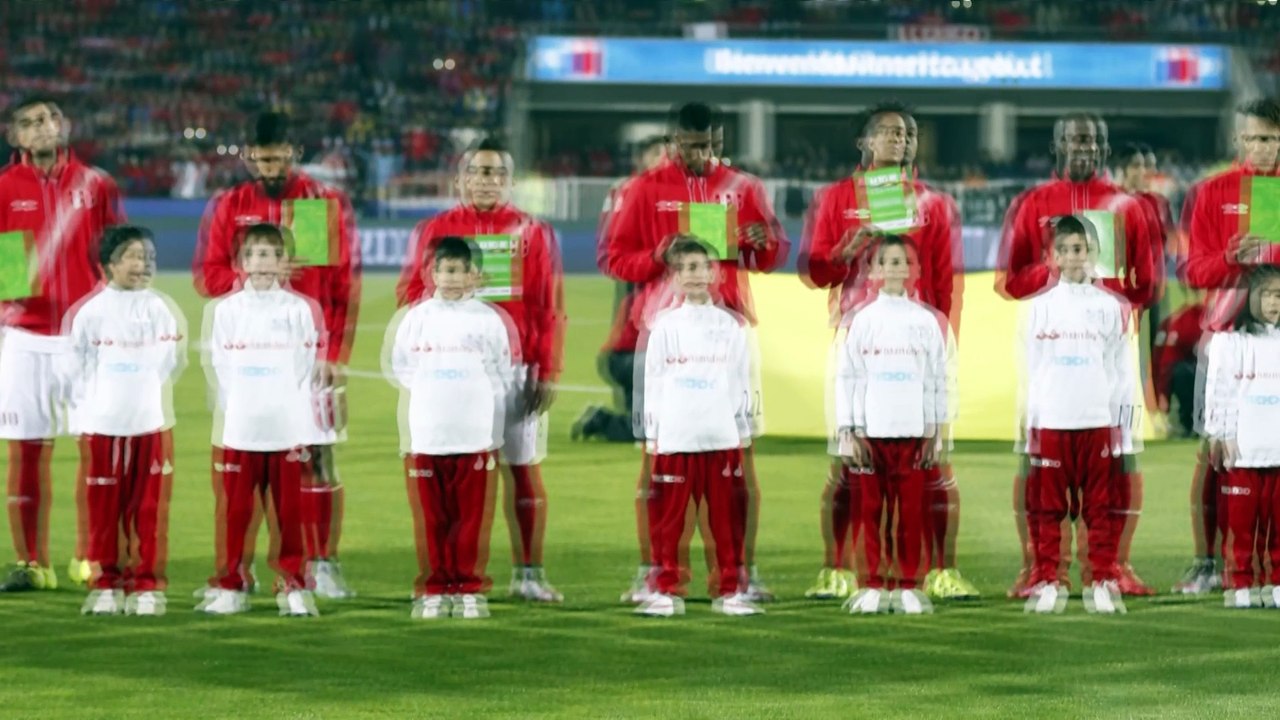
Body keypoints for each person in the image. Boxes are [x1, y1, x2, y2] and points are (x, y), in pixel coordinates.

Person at [600, 102, 788, 605]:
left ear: (719, 140)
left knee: (736, 463)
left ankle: (740, 572)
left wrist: (760, 241)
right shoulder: (643, 189)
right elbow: (614, 260)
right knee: (660, 462)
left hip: (727, 331)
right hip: (665, 333)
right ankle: (654, 570)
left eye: (707, 145)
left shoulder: (743, 188)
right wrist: (658, 256)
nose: (698, 154)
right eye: (689, 145)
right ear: (672, 141)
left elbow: (771, 255)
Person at [799, 101, 973, 602]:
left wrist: (944, 341)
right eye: (890, 133)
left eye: (908, 134)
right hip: (858, 340)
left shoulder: (934, 204)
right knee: (849, 461)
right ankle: (838, 569)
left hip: (917, 346)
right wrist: (844, 253)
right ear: (865, 142)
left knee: (931, 463)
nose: (901, 141)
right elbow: (813, 272)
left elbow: (944, 280)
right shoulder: (836, 199)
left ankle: (941, 569)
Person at [193, 111, 361, 600]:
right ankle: (242, 572)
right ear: (249, 157)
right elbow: (209, 277)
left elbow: (341, 283)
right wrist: (255, 278)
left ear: (294, 153)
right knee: (251, 465)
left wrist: (335, 352)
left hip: (309, 355)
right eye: (262, 156)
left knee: (320, 458)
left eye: (278, 155)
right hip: (252, 360)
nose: (270, 164)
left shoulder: (319, 202)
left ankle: (324, 563)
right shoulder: (231, 205)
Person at [995, 112, 1158, 599]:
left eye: (1092, 140)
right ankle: (1040, 569)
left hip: (1106, 355)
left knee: (1118, 467)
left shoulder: (1128, 205)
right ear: (1057, 146)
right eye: (1073, 140)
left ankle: (1114, 567)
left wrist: (1103, 298)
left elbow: (1147, 285)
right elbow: (1011, 280)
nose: (1083, 148)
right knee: (1040, 471)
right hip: (1054, 354)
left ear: (1105, 147)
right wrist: (1058, 279)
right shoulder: (1034, 203)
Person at [396, 138, 566, 603]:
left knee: (522, 470)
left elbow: (549, 306)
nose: (486, 180)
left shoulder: (531, 232)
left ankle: (528, 573)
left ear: (508, 181)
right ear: (462, 178)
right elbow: (409, 292)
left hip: (516, 375)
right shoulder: (436, 229)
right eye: (478, 172)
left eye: (495, 173)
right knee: (453, 476)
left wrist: (546, 368)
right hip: (455, 376)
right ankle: (451, 578)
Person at [0, 96, 126, 592]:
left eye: (51, 118)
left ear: (65, 125)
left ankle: (90, 556)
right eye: (31, 122)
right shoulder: (5, 188)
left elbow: (118, 253)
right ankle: (32, 563)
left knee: (96, 448)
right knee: (26, 451)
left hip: (84, 338)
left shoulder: (97, 185)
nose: (43, 127)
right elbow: (4, 258)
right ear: (16, 137)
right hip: (25, 336)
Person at [1176, 97, 1280, 594]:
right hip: (1230, 340)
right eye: (1257, 138)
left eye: (1274, 139)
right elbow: (1193, 271)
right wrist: (1228, 258)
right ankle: (1208, 563)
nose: (1265, 148)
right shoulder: (1213, 192)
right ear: (1239, 139)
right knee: (1219, 451)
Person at [196, 224, 323, 617]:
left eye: (273, 255)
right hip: (241, 428)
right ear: (242, 262)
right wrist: (247, 404)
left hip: (286, 429)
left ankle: (293, 585)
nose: (265, 263)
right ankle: (232, 585)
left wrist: (280, 401)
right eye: (256, 255)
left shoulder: (299, 310)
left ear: (285, 262)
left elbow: (304, 367)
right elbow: (220, 366)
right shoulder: (225, 310)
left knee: (289, 515)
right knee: (235, 514)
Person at [385, 236, 514, 620]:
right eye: (445, 270)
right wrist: (435, 395)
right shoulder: (417, 318)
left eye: (460, 271)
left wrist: (472, 405)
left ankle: (469, 589)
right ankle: (434, 589)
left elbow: (501, 372)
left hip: (473, 435)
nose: (452, 278)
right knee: (432, 518)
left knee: (471, 518)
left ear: (475, 275)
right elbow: (401, 368)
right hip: (427, 433)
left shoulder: (488, 319)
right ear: (432, 273)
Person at [1020, 215, 1139, 615]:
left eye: (1081, 249)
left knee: (1099, 508)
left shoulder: (1111, 308)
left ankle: (1102, 579)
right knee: (1048, 510)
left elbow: (1122, 373)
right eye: (1066, 250)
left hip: (1097, 423)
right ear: (1053, 256)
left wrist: (1124, 430)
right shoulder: (1039, 308)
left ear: (1093, 253)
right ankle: (1049, 579)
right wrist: (1029, 424)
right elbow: (1031, 371)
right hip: (1052, 422)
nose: (1074, 258)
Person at [635, 237, 759, 617]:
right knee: (669, 523)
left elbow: (742, 380)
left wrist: (742, 428)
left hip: (721, 437)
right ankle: (665, 590)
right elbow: (652, 383)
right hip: (675, 439)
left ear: (714, 273)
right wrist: (653, 434)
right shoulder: (664, 327)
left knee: (726, 522)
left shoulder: (731, 327)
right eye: (685, 268)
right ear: (674, 277)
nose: (694, 275)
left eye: (701, 267)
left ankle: (730, 591)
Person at [64, 226, 184, 616]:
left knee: (147, 511)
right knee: (103, 512)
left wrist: (142, 395)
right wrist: (94, 412)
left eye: (148, 256)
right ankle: (105, 585)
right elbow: (74, 371)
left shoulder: (160, 309)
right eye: (133, 256)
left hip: (150, 425)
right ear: (109, 265)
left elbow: (171, 363)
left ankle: (146, 585)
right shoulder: (90, 313)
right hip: (103, 428)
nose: (142, 264)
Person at [835, 235, 950, 615]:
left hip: (914, 433)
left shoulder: (926, 322)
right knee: (870, 511)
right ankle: (871, 584)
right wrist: (848, 430)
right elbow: (849, 378)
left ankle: (906, 584)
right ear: (874, 270)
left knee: (910, 511)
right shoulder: (862, 321)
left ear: (914, 270)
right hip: (871, 434)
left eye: (904, 262)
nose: (897, 269)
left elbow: (937, 378)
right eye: (889, 261)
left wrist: (936, 428)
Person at [575, 134, 668, 443]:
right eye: (657, 153)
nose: (665, 159)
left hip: (642, 282)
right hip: (640, 283)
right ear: (641, 159)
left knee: (647, 428)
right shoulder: (632, 191)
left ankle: (619, 418)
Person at [1203, 266, 1280, 609]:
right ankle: (1240, 582)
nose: (1273, 302)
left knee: (1278, 523)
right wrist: (1219, 434)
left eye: (1279, 294)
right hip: (1243, 449)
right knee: (1242, 524)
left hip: (1277, 448)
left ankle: (1275, 582)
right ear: (1248, 299)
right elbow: (1219, 391)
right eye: (1266, 294)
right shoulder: (1231, 343)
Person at [1152, 293, 1205, 438]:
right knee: (1184, 373)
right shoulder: (1180, 321)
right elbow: (1164, 360)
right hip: (1187, 371)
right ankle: (1188, 423)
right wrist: (1162, 393)